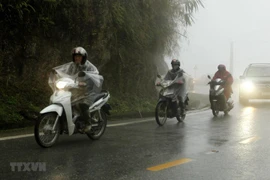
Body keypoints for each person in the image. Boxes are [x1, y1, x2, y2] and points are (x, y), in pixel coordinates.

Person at [51, 46, 103, 132]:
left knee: (83, 104)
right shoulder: (72, 66)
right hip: (75, 88)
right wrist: (56, 71)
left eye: (79, 56)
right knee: (64, 100)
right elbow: (64, 69)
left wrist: (85, 81)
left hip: (87, 91)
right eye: (75, 56)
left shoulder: (89, 66)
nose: (77, 58)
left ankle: (88, 123)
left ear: (83, 57)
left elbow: (95, 75)